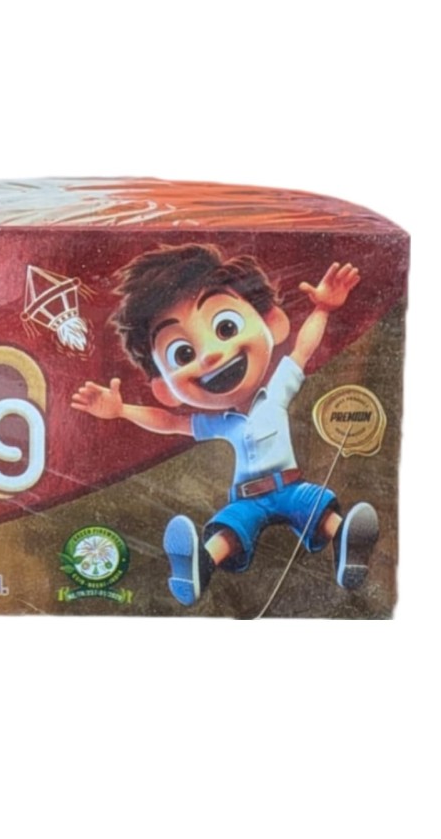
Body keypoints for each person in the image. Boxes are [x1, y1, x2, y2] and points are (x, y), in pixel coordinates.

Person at [71, 244, 378, 606]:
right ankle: (197, 567)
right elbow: (171, 422)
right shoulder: (219, 423)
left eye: (226, 327)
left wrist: (323, 308)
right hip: (247, 498)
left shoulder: (276, 393)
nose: (211, 355)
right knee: (230, 526)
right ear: (164, 389)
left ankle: (347, 544)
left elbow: (302, 351)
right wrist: (122, 410)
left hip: (290, 486)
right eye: (183, 354)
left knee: (317, 505)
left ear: (271, 323)